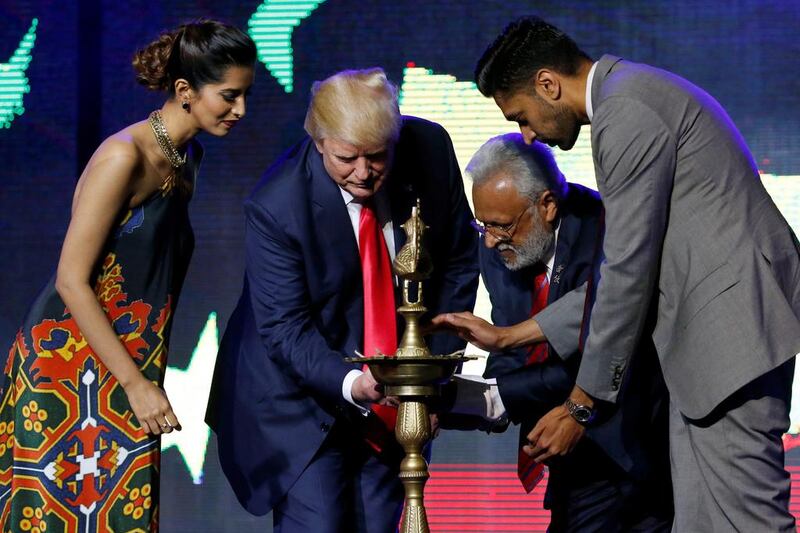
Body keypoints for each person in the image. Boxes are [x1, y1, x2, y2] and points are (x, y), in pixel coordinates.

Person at [473, 15, 800, 531]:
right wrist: (512, 335)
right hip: (710, 347)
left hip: (731, 341)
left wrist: (580, 405)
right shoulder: (629, 96)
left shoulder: (625, 112)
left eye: (522, 116)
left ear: (548, 84)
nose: (527, 134)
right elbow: (620, 275)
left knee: (748, 521)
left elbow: (626, 273)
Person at [0, 20, 256, 532]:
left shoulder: (186, 159)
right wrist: (135, 384)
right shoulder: (123, 156)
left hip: (126, 370)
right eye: (229, 96)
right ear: (185, 91)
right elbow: (71, 280)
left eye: (245, 95)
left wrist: (138, 381)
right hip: (64, 369)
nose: (241, 110)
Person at [206, 67, 478, 532]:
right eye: (347, 158)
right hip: (301, 399)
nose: (364, 172)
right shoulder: (277, 206)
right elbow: (286, 329)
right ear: (318, 142)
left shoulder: (429, 149)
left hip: (395, 396)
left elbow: (456, 262)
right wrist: (354, 383)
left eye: (377, 156)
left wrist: (426, 377)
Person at [434, 134, 671, 531]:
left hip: (630, 446)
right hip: (565, 451)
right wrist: (455, 400)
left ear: (547, 205)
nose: (490, 240)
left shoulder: (608, 232)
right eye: (483, 225)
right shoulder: (496, 246)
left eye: (501, 226)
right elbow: (511, 349)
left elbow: (600, 355)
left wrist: (495, 398)